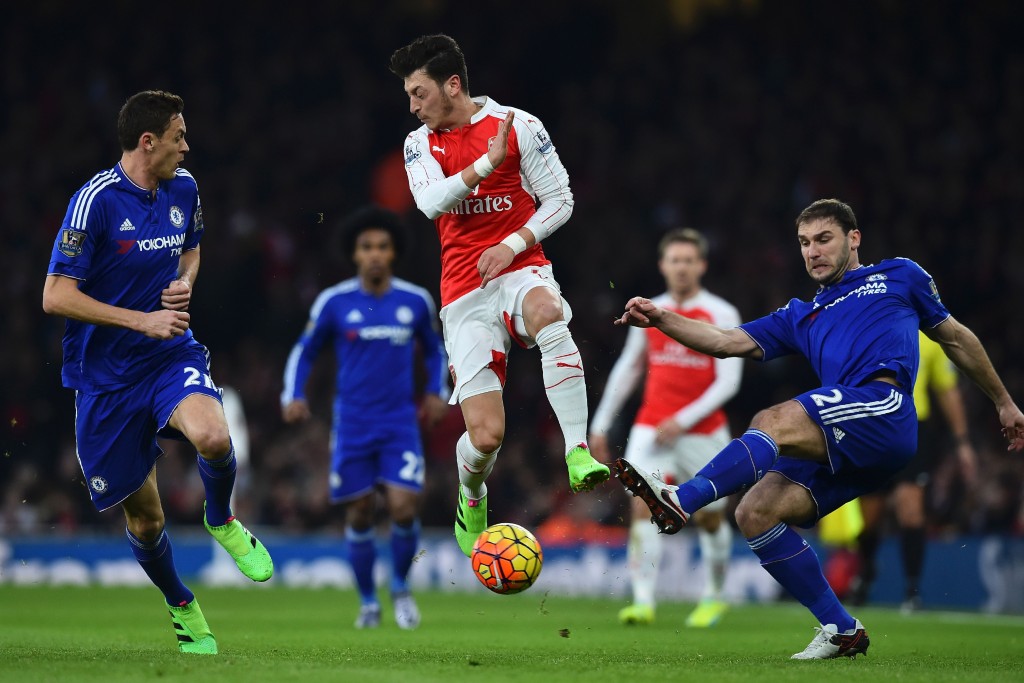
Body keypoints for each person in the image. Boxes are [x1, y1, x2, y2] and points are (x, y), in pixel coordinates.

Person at [611, 198, 1024, 659]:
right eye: (805, 243)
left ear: (854, 238)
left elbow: (955, 337)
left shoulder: (899, 276)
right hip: (847, 438)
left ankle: (680, 500)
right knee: (755, 513)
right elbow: (725, 342)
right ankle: (841, 627)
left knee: (771, 420)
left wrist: (1003, 401)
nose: (813, 252)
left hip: (884, 406)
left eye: (824, 239)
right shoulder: (800, 315)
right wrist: (663, 319)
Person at [42, 90, 273, 655]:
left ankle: (221, 519)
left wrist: (184, 285)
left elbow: (191, 252)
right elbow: (55, 295)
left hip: (169, 356)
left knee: (215, 437)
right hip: (105, 381)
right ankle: (181, 603)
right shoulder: (94, 202)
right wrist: (138, 320)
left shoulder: (184, 188)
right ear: (149, 142)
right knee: (146, 522)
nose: (186, 147)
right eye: (178, 136)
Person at [388, 34, 609, 557]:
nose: (413, 106)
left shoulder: (521, 126)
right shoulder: (419, 142)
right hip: (463, 292)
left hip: (520, 267)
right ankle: (471, 492)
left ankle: (577, 451)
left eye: (419, 93)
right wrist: (485, 165)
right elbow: (429, 203)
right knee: (486, 438)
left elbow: (560, 200)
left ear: (453, 85)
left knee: (548, 311)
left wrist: (513, 244)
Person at [281, 205, 449, 629]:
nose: (374, 254)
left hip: (399, 422)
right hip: (352, 424)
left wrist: (436, 391)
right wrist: (294, 393)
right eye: (366, 247)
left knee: (404, 507)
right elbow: (306, 350)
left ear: (393, 253)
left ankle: (400, 586)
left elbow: (434, 350)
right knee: (358, 513)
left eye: (382, 247)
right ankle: (368, 603)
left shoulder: (415, 301)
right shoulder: (335, 302)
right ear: (355, 255)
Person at [589, 228, 743, 628]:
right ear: (663, 265)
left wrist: (683, 419)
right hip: (652, 426)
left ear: (702, 265)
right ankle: (642, 601)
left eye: (689, 260)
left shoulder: (722, 313)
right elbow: (629, 367)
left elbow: (728, 381)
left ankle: (714, 596)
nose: (681, 267)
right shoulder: (650, 310)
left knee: (710, 516)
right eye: (674, 260)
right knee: (642, 505)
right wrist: (601, 424)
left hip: (703, 430)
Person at [849, 331, 977, 612]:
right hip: (873, 424)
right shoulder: (872, 328)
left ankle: (912, 589)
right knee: (871, 517)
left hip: (912, 426)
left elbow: (947, 389)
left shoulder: (929, 339)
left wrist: (962, 441)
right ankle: (866, 572)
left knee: (911, 509)